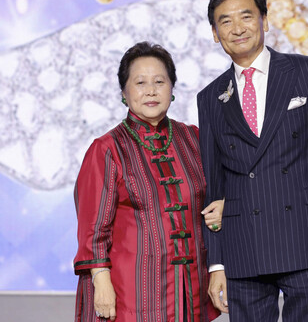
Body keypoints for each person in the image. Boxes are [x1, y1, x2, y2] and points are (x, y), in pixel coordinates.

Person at [197, 0, 308, 322]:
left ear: (264, 19)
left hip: (305, 237)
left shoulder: (306, 72)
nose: (237, 28)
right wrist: (216, 263)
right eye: (225, 21)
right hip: (243, 245)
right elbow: (213, 189)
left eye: (245, 16)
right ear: (215, 33)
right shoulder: (211, 97)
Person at [73, 41, 222, 322]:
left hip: (189, 289)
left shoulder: (193, 139)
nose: (151, 90)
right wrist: (100, 282)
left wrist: (218, 267)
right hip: (131, 292)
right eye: (140, 82)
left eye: (159, 81)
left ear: (172, 89)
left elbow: (216, 203)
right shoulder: (107, 149)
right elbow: (92, 228)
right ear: (124, 92)